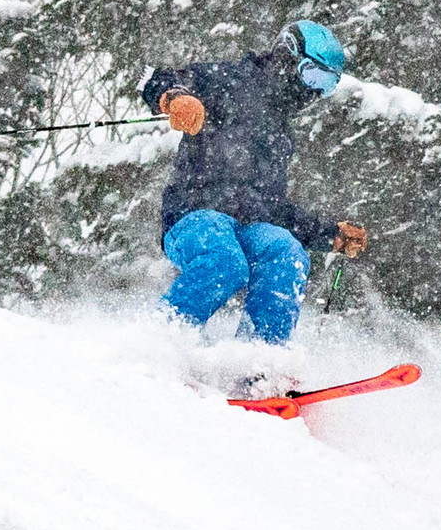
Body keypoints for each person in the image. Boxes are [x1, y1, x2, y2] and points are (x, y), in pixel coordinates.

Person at [143, 20, 368, 345]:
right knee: (226, 260)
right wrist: (176, 97)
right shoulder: (231, 78)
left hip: (248, 226)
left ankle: (258, 362)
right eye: (313, 76)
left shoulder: (279, 132)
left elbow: (272, 208)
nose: (315, 92)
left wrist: (328, 234)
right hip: (193, 216)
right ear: (287, 58)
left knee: (286, 252)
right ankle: (161, 341)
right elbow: (163, 77)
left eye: (327, 85)